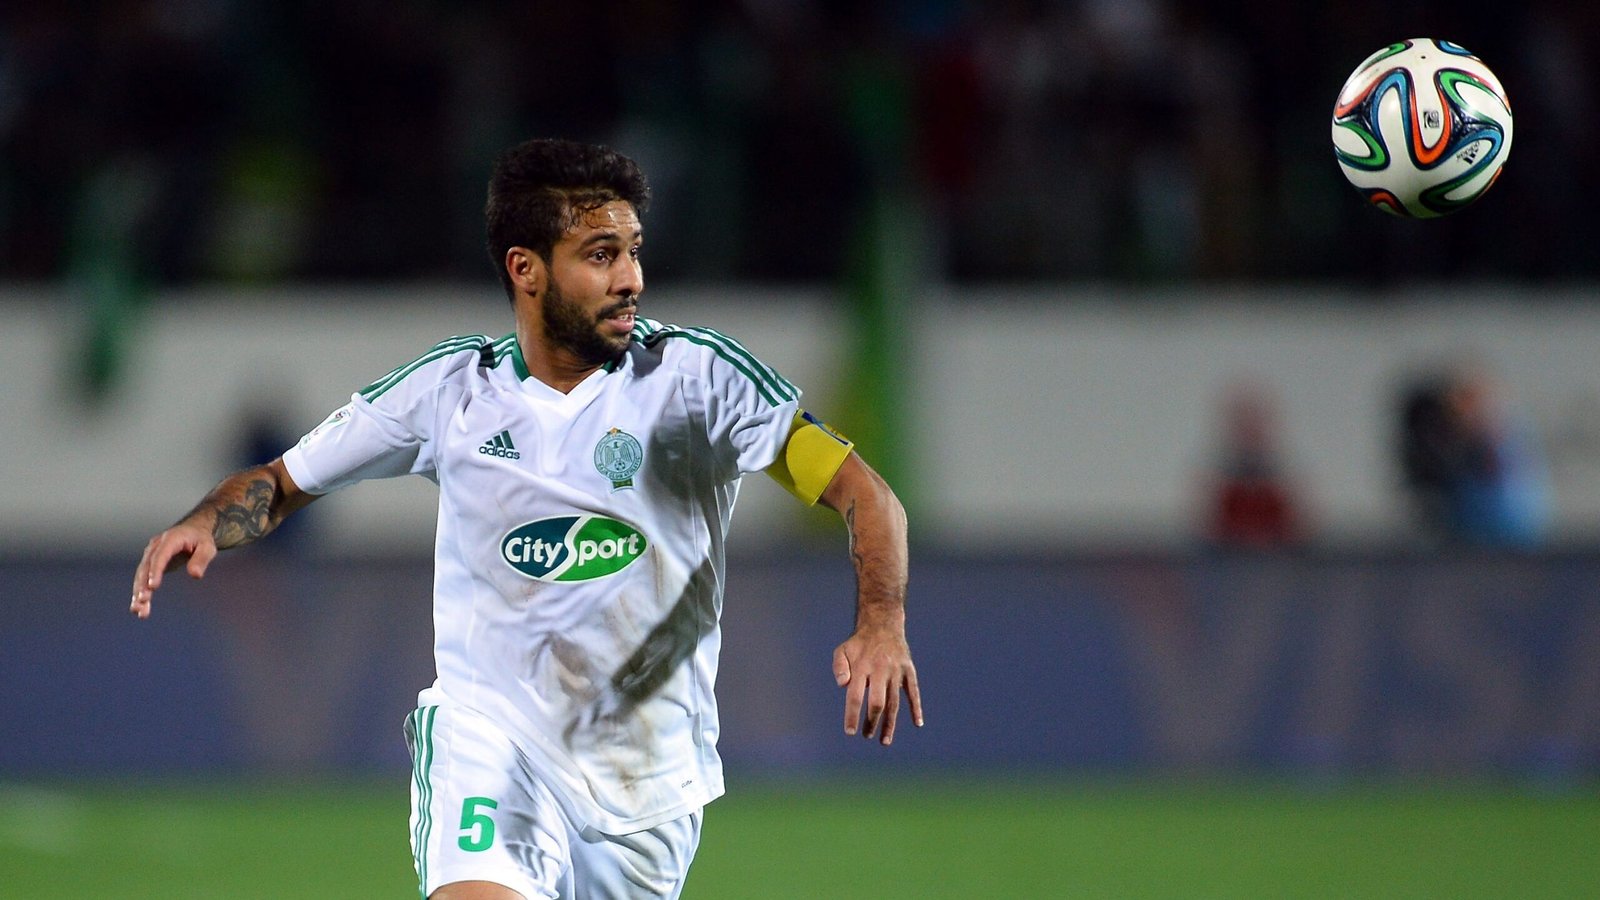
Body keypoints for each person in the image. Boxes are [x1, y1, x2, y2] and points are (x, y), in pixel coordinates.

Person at [130, 138, 923, 900]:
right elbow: (280, 481)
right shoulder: (451, 391)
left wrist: (880, 622)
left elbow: (865, 494)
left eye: (634, 251)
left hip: (648, 789)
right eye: (601, 256)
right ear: (527, 270)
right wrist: (207, 521)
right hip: (490, 743)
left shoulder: (699, 381)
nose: (631, 279)